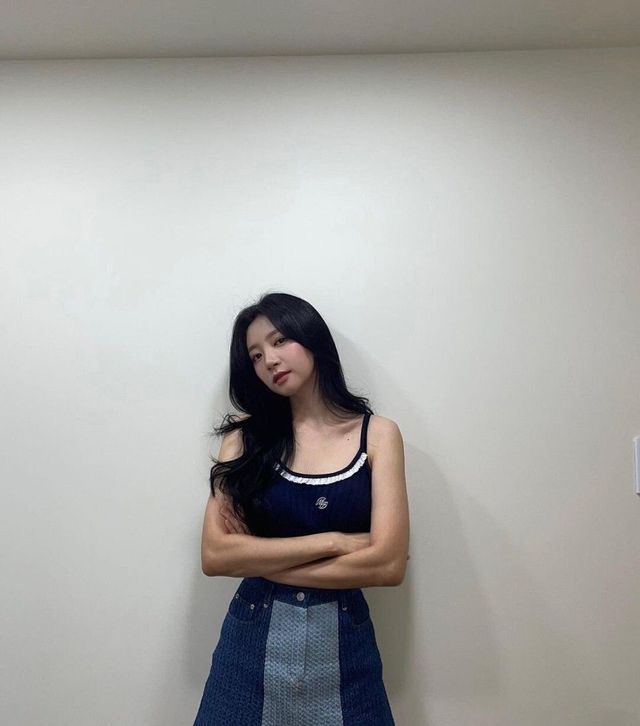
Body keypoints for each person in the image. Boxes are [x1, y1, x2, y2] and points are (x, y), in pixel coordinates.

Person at [193, 291, 410, 725]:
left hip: (346, 650)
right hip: (248, 644)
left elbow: (388, 566)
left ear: (311, 337)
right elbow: (215, 556)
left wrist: (260, 561)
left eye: (279, 341)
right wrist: (335, 542)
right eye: (256, 356)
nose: (269, 361)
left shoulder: (378, 435)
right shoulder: (243, 440)